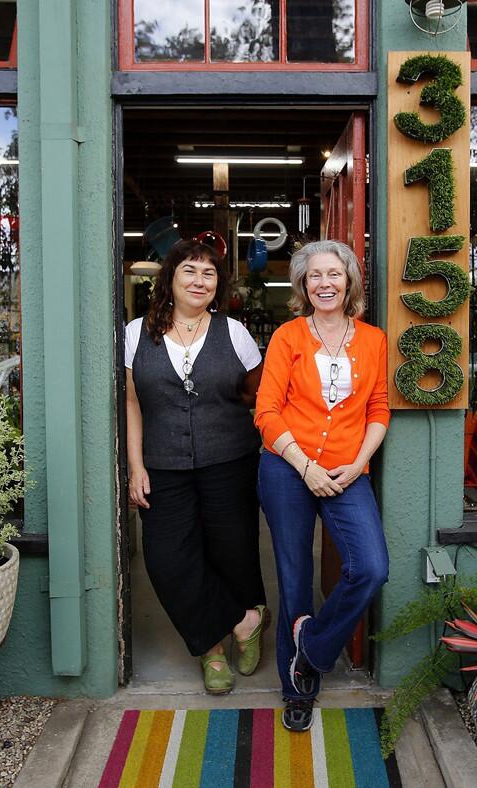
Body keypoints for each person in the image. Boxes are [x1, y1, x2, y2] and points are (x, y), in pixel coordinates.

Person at [254, 239, 390, 732]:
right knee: (294, 576)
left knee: (371, 568)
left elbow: (379, 408)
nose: (325, 283)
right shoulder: (289, 337)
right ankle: (297, 687)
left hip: (347, 471)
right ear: (303, 285)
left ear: (349, 280)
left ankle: (311, 648)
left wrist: (357, 464)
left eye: (334, 274)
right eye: (315, 276)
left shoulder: (373, 340)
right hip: (288, 467)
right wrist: (303, 464)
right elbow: (266, 411)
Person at [124, 239, 269, 694]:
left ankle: (217, 649)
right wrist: (134, 466)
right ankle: (241, 623)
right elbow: (131, 403)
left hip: (229, 459)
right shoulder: (135, 333)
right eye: (189, 271)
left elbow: (256, 394)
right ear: (170, 278)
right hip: (162, 464)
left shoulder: (235, 333)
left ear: (217, 285)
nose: (199, 281)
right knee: (166, 559)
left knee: (233, 550)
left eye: (209, 274)